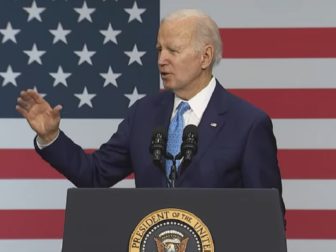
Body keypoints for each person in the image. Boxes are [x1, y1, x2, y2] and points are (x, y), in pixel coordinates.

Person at [16, 9, 285, 214]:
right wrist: (51, 137)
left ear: (205, 56)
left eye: (173, 50)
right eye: (159, 49)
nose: (161, 60)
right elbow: (94, 175)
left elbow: (267, 216)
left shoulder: (248, 123)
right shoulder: (144, 114)